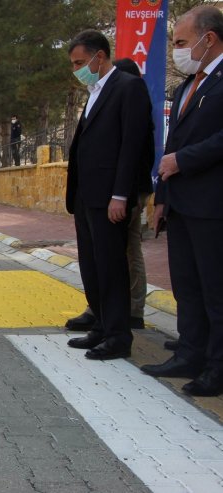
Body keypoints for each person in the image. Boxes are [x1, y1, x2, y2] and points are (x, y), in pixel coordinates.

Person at [140, 6, 223, 396]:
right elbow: (171, 146)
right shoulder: (186, 85)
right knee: (186, 287)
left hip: (213, 205)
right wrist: (162, 200)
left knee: (215, 290)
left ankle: (217, 367)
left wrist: (182, 161)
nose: (176, 51)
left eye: (181, 43)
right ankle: (189, 353)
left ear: (209, 39)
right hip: (182, 204)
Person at [64, 30, 152, 360]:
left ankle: (118, 335)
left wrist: (120, 195)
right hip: (87, 196)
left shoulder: (128, 87)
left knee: (112, 265)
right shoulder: (96, 90)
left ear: (100, 57)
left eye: (80, 62)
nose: (76, 70)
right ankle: (100, 324)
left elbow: (131, 146)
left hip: (108, 197)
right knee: (91, 263)